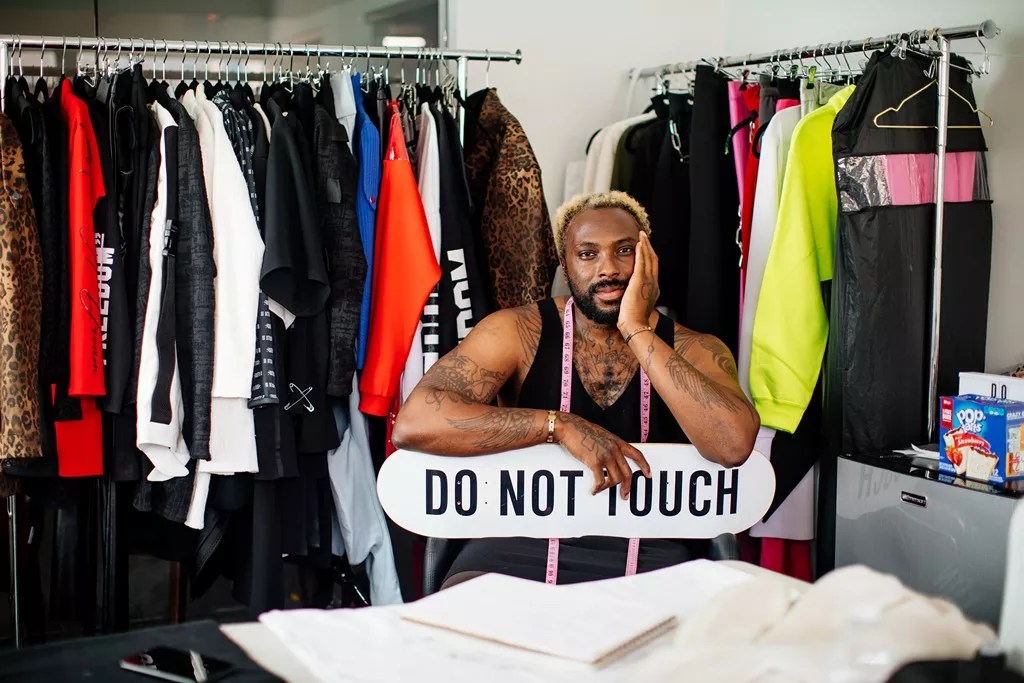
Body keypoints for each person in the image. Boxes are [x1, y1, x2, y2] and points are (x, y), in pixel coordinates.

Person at [392, 190, 759, 587]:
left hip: (652, 551)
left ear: (648, 260)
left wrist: (636, 328)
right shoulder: (517, 332)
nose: (609, 269)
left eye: (624, 251)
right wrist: (559, 426)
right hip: (517, 545)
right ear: (565, 266)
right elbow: (414, 424)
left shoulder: (694, 348)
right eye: (587, 254)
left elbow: (732, 445)